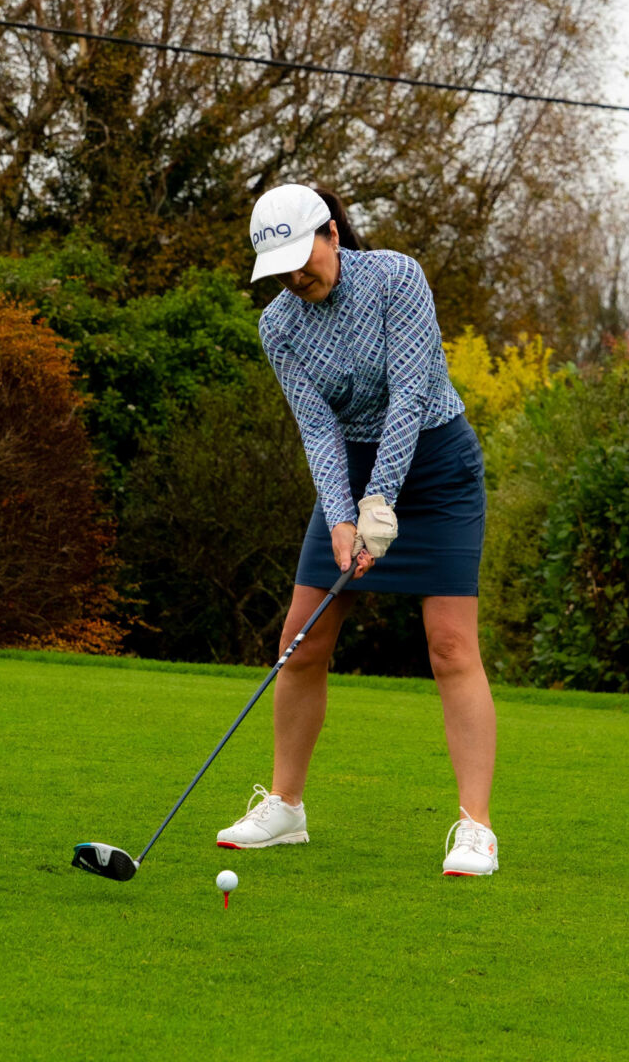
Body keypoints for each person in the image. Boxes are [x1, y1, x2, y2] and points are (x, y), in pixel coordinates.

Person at [216, 183, 498, 876]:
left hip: (435, 466)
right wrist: (343, 516)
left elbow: (409, 396)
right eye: (277, 264)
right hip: (349, 472)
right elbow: (317, 427)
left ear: (332, 233)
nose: (292, 274)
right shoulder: (277, 326)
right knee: (299, 642)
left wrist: (377, 507)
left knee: (451, 646)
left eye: (300, 255)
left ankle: (475, 829)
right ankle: (284, 807)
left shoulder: (396, 277)